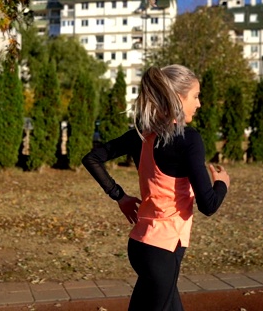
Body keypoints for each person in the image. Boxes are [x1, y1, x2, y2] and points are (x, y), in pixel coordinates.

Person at [82, 65, 230, 311]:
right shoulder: (188, 138)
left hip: (141, 245)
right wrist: (222, 183)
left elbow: (92, 158)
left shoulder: (140, 136)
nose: (200, 103)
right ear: (178, 98)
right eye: (195, 96)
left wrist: (119, 196)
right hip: (163, 250)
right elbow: (209, 205)